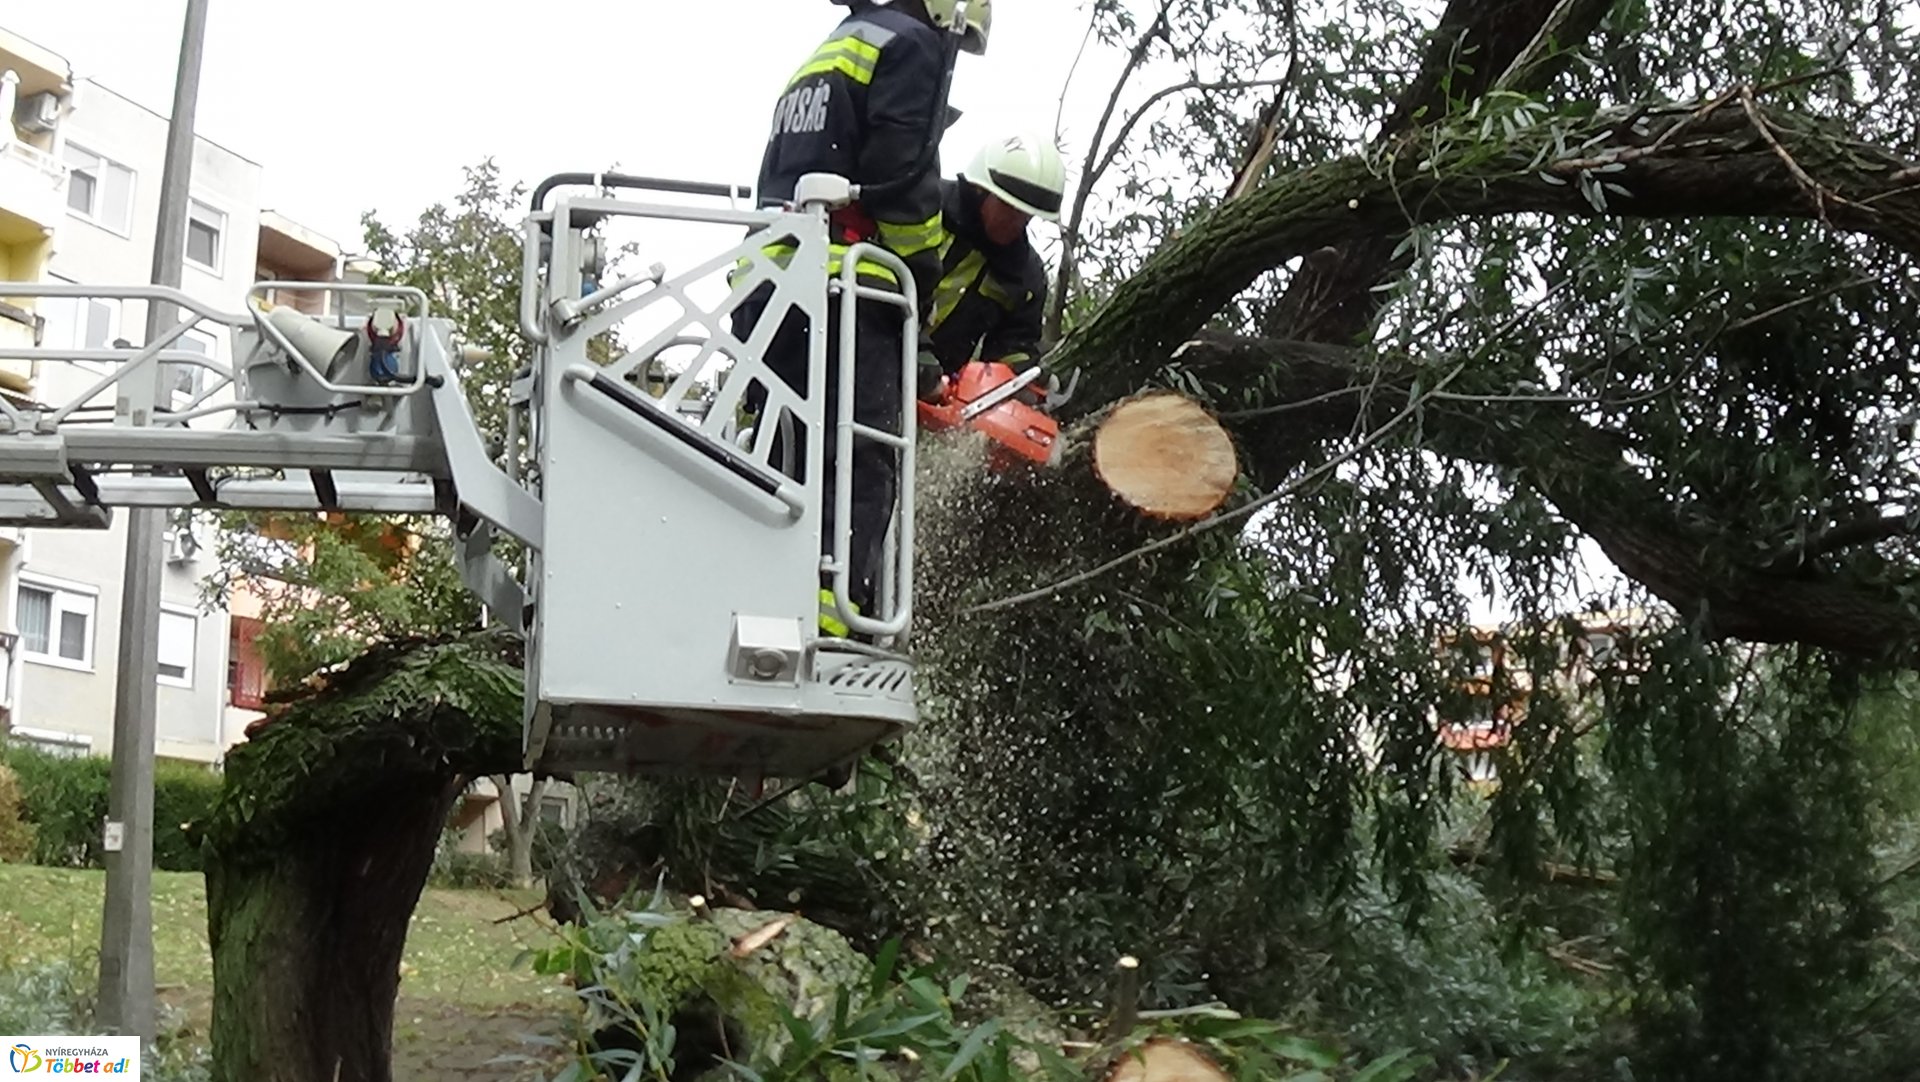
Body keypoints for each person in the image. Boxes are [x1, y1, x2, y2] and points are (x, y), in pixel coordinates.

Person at [732, 0, 992, 640]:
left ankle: (770, 597)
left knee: (787, 451)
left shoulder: (833, 50)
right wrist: (918, 291)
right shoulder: (912, 45)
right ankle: (835, 617)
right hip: (842, 286)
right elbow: (902, 182)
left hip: (769, 284)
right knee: (861, 454)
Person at [918, 133, 1067, 406]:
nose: (1016, 221)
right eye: (1009, 208)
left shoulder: (1024, 275)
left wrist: (1022, 376)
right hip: (866, 345)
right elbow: (883, 281)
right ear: (981, 189)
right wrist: (917, 351)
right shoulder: (925, 209)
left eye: (1026, 214)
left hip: (936, 395)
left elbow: (1012, 345)